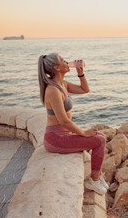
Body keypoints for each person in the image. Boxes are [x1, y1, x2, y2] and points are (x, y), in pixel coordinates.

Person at [38, 52, 108, 195]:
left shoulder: (63, 84)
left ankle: (97, 177)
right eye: (63, 60)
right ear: (57, 67)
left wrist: (80, 74)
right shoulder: (52, 90)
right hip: (55, 139)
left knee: (100, 135)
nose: (67, 62)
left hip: (64, 134)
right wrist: (83, 132)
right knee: (99, 140)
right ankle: (93, 181)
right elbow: (63, 120)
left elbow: (85, 89)